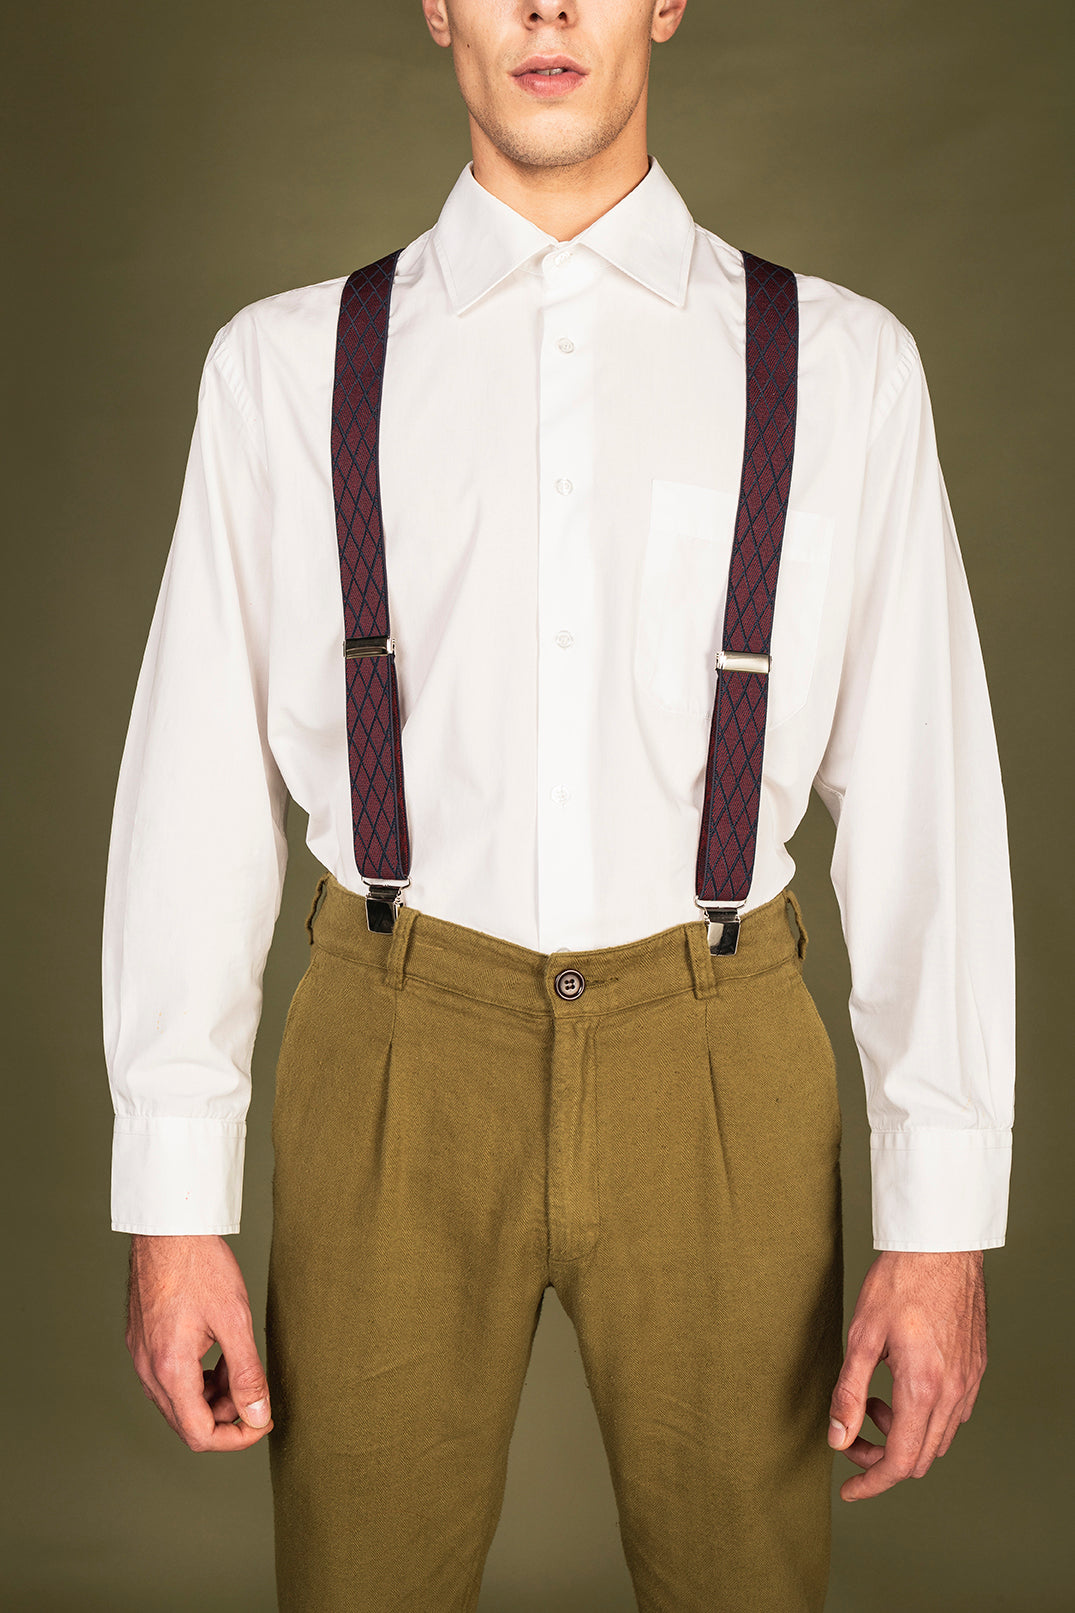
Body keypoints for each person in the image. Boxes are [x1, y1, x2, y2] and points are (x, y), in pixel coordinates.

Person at [103, 1, 1015, 1608]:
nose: (545, 11)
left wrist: (939, 1226)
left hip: (721, 1058)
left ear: (665, 1)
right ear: (436, 7)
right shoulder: (282, 369)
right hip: (390, 1052)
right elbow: (195, 794)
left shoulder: (847, 367)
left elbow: (925, 800)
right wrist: (173, 1209)